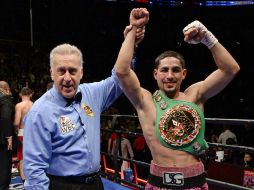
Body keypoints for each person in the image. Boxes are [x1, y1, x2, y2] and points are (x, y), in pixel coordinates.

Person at [115, 8, 240, 190]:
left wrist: (207, 38)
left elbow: (230, 69)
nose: (170, 75)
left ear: (184, 74)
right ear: (155, 74)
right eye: (164, 70)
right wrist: (133, 30)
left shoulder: (195, 95)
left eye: (175, 70)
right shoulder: (145, 101)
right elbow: (121, 71)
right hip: (158, 181)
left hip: (194, 181)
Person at [23, 13, 147, 190]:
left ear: (81, 72)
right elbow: (34, 169)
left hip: (95, 183)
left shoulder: (91, 93)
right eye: (61, 71)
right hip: (62, 185)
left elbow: (120, 78)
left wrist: (131, 42)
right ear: (52, 73)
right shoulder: (39, 111)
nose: (67, 78)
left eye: (72, 71)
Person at [13, 87, 33, 183]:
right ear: (31, 94)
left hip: (22, 132)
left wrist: (14, 131)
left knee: (22, 156)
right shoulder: (35, 104)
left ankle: (24, 179)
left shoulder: (19, 106)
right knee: (33, 155)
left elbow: (16, 122)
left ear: (20, 94)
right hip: (34, 133)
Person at [0, 81, 15, 190]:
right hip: (3, 138)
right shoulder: (5, 99)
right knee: (5, 164)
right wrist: (8, 136)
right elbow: (6, 117)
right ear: (6, 89)